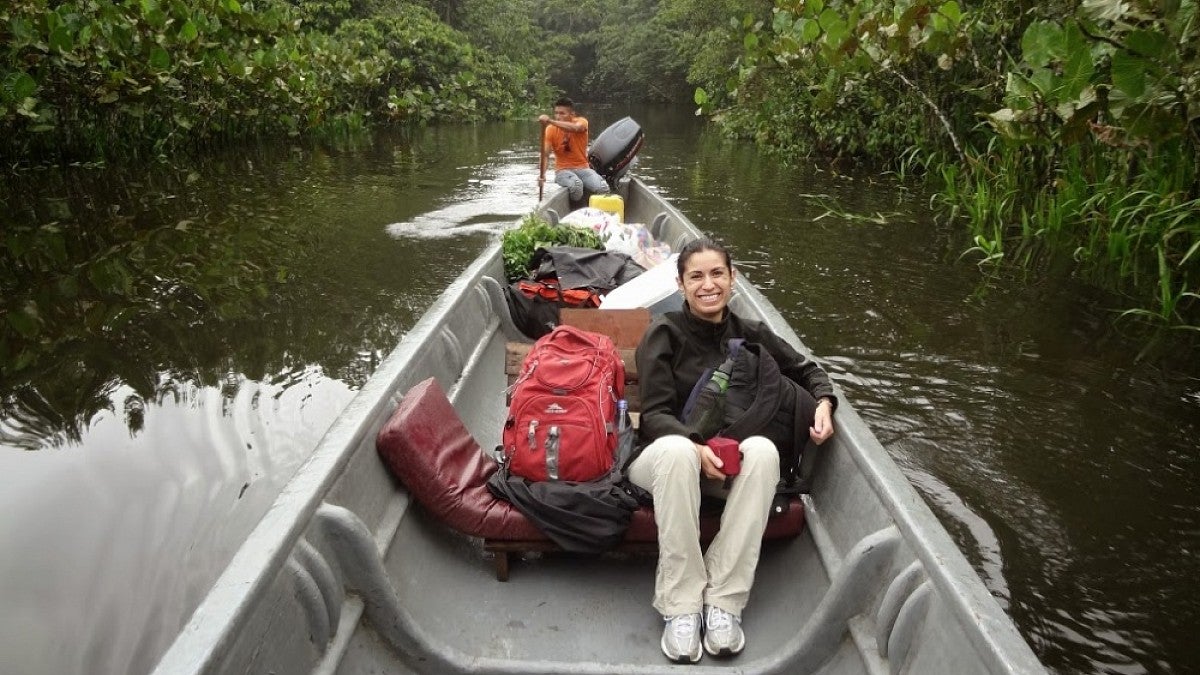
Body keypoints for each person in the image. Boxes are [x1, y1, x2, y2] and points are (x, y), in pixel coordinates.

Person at [628, 238, 837, 663]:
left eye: (717, 274)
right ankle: (681, 605)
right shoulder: (663, 333)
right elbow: (652, 415)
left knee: (762, 451)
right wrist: (694, 444)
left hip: (726, 471)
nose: (708, 285)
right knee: (677, 453)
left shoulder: (750, 333)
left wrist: (824, 405)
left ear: (732, 278)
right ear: (681, 284)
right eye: (696, 276)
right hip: (663, 465)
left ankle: (724, 599)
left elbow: (807, 370)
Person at [538, 97, 609, 204]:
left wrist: (550, 121)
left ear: (572, 114)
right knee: (576, 185)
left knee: (603, 188)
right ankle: (576, 208)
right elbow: (545, 155)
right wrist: (542, 176)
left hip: (584, 169)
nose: (558, 116)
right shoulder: (550, 129)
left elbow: (575, 128)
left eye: (562, 113)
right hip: (562, 171)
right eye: (556, 113)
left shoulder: (582, 122)